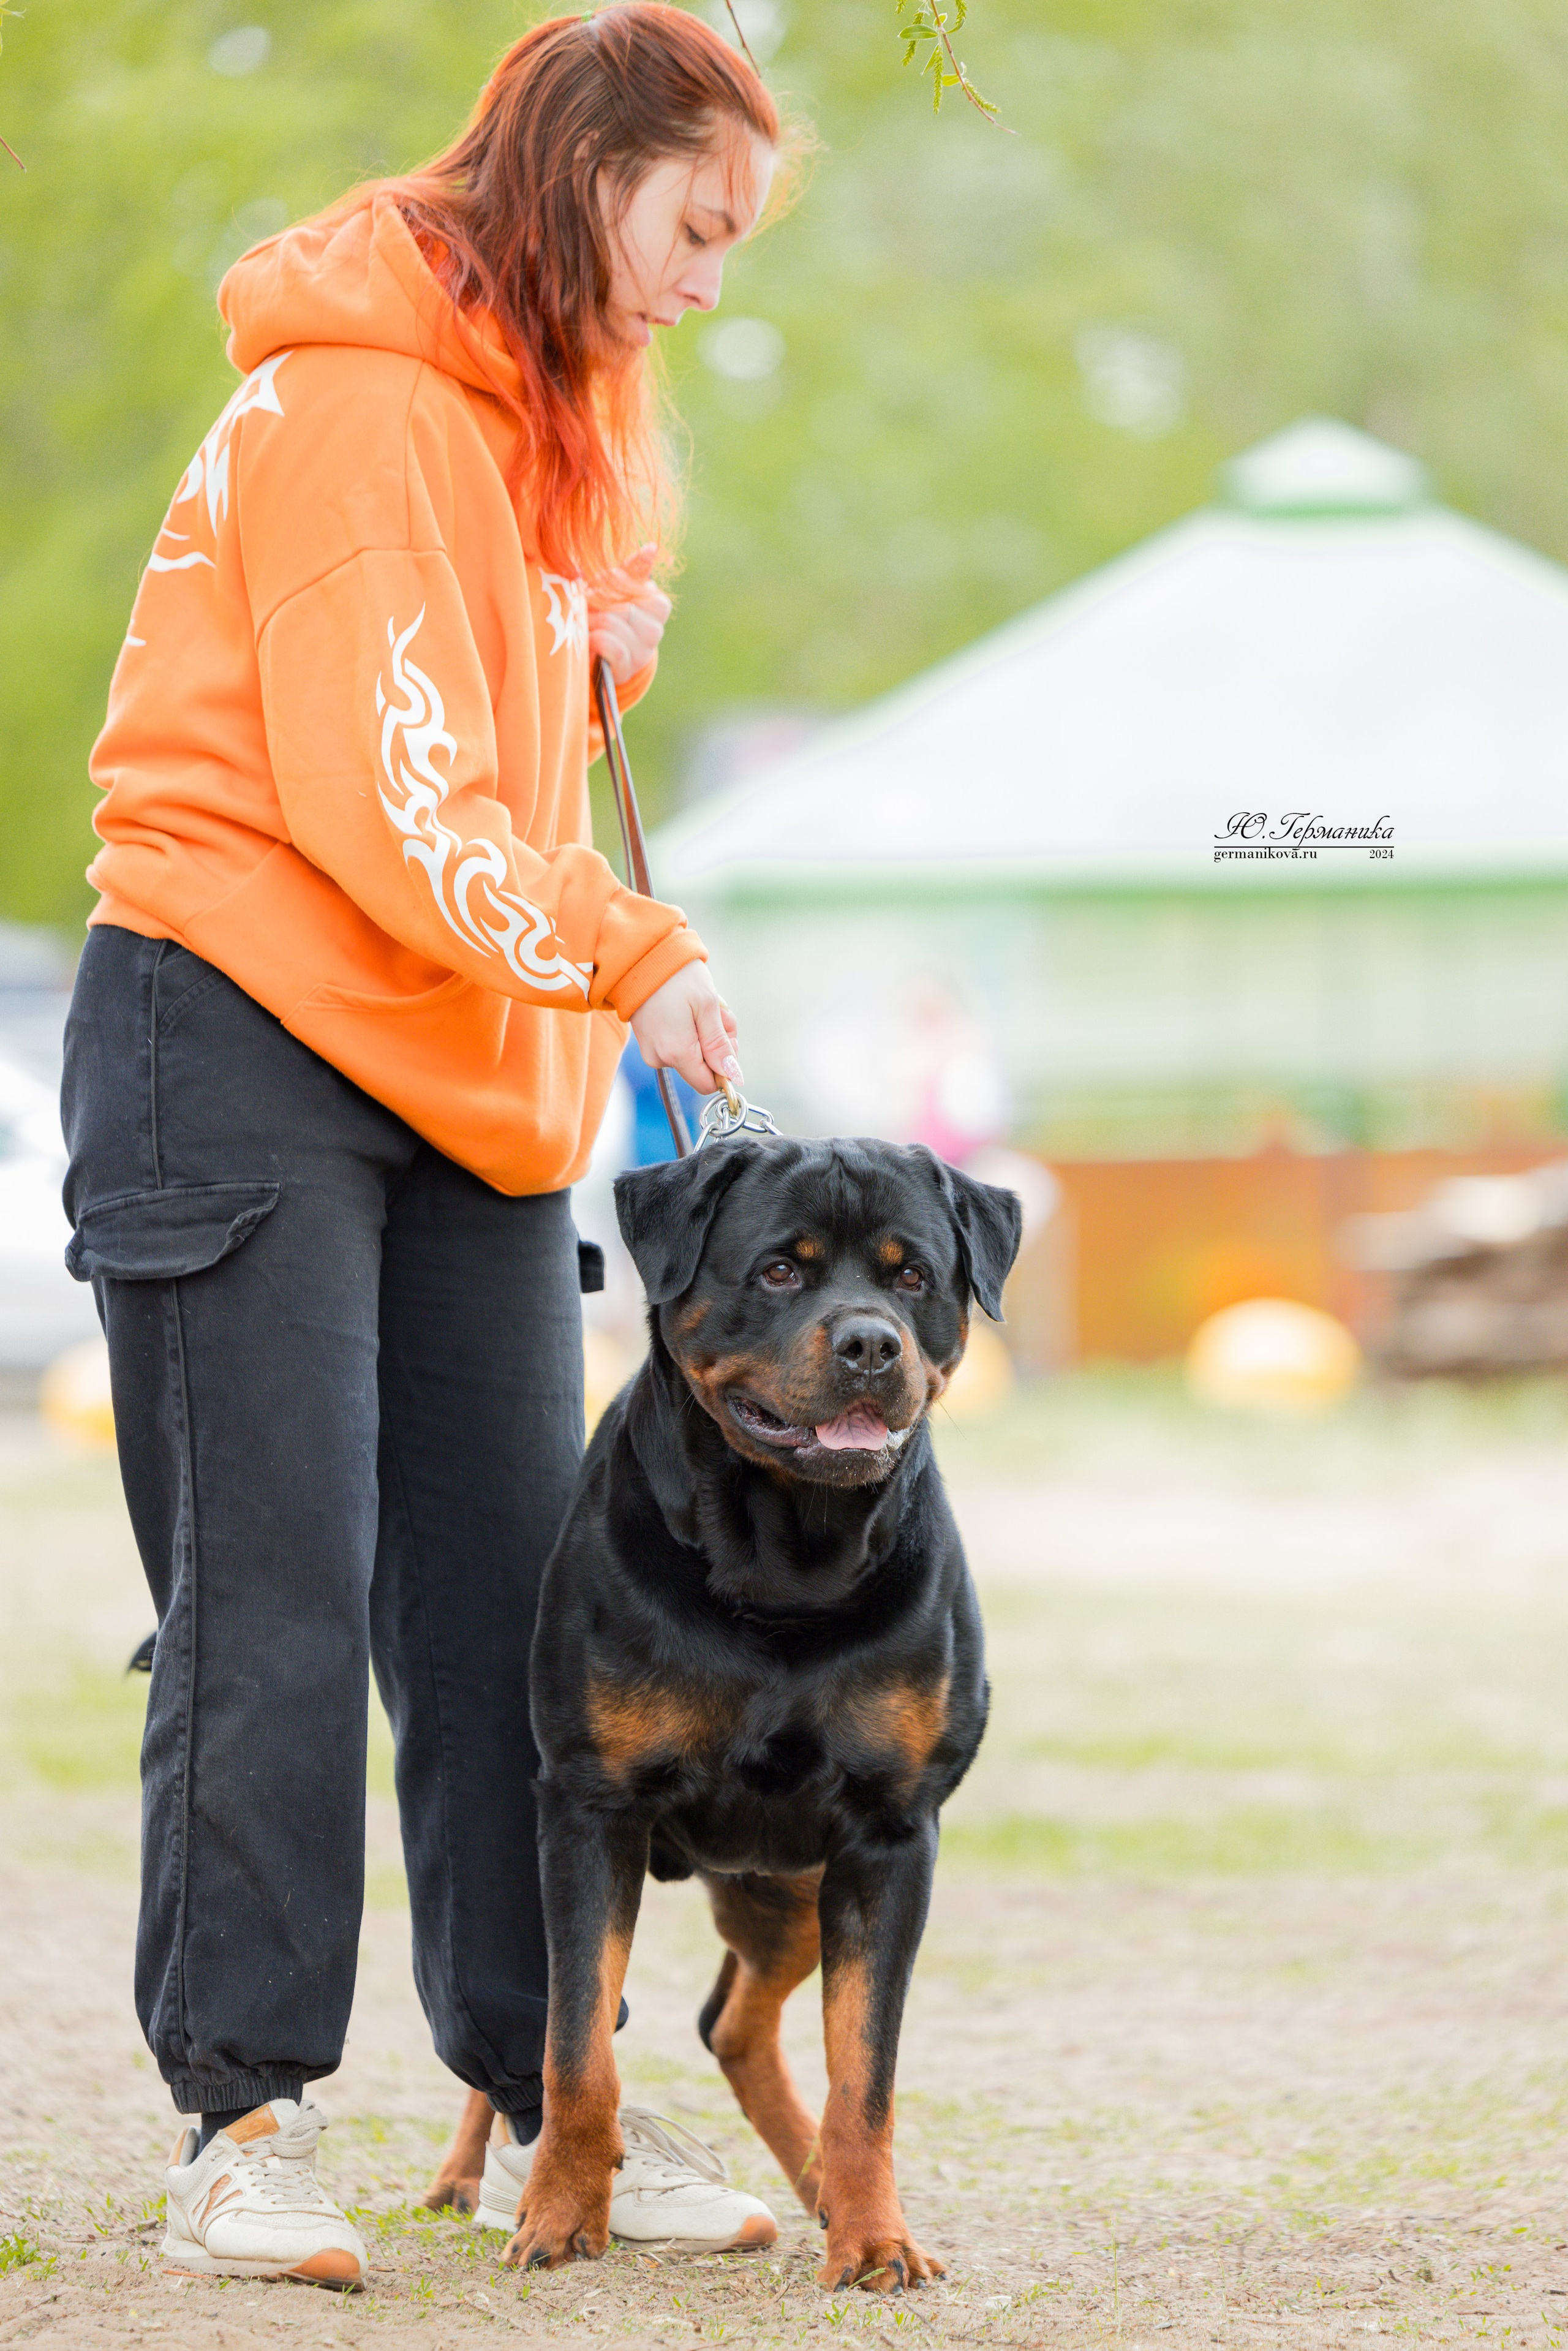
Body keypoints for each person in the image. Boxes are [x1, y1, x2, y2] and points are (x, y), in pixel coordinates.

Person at [62, 5, 787, 2287]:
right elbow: (389, 816)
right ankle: (244, 2123)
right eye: (693, 222)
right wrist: (630, 943)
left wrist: (592, 653)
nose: (705, 277)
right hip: (235, 1028)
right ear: (588, 171)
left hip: (461, 1071)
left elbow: (452, 721)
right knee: (273, 1604)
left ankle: (550, 2083)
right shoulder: (360, 399)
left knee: (516, 1620)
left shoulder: (517, 426)